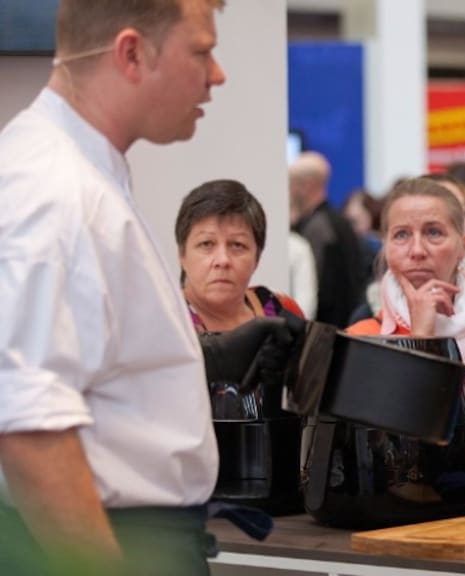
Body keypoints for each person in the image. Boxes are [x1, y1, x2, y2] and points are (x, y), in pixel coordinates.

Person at [0, 2, 298, 574]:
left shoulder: (81, 177)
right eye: (202, 51)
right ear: (132, 53)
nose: (218, 73)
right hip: (113, 543)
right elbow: (30, 433)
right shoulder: (57, 193)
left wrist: (202, 361)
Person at [346, 177, 465, 496]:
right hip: (403, 523)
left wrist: (446, 456)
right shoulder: (361, 341)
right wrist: (421, 338)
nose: (417, 251)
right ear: (385, 246)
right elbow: (392, 462)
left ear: (464, 246)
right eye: (401, 235)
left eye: (434, 232)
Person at [175, 180, 306, 512]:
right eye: (206, 244)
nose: (222, 260)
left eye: (237, 246)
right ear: (182, 255)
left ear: (257, 256)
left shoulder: (281, 310)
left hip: (280, 501)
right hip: (188, 501)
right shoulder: (162, 320)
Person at [289, 151, 367, 328]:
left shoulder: (318, 228)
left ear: (307, 185)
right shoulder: (340, 222)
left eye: (292, 185)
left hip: (327, 332)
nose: (289, 192)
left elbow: (316, 289)